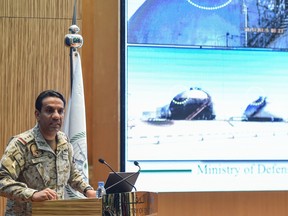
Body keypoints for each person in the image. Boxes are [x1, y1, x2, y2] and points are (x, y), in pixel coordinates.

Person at [0, 90, 96, 216]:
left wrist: (87, 190)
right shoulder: (21, 144)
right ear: (37, 114)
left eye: (60, 111)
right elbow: (2, 180)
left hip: (55, 213)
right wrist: (33, 194)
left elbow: (72, 174)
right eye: (50, 110)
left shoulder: (64, 142)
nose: (56, 116)